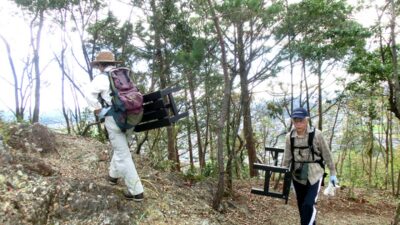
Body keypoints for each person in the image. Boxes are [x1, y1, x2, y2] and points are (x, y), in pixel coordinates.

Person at [85, 51, 144, 201]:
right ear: (113, 63)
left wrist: (97, 109)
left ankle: (136, 191)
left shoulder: (101, 78)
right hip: (132, 116)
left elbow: (89, 95)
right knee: (121, 149)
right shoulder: (124, 75)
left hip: (115, 118)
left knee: (123, 153)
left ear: (99, 65)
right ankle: (113, 176)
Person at [282, 107, 338, 225]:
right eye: (295, 121)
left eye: (301, 120)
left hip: (315, 175)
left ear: (306, 120)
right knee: (302, 205)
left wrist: (333, 173)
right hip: (297, 175)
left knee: (308, 204)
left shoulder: (317, 134)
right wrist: (283, 173)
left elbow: (327, 154)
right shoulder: (289, 137)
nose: (298, 124)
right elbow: (287, 157)